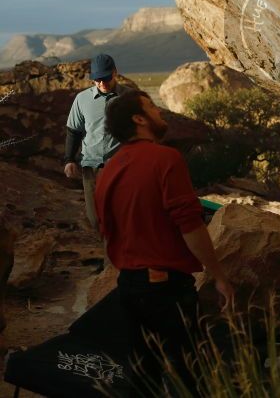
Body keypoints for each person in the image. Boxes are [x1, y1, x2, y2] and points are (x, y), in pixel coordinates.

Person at [94, 89, 234, 396]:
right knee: (190, 376)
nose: (160, 113)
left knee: (144, 378)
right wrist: (219, 277)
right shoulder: (166, 159)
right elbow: (190, 225)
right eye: (153, 108)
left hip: (129, 287)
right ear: (139, 119)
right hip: (165, 289)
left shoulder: (108, 171)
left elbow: (107, 234)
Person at [65, 54, 130, 231]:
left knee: (120, 218)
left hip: (121, 168)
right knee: (95, 220)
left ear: (115, 73)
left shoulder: (129, 97)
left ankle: (116, 256)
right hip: (91, 168)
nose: (102, 83)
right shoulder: (82, 99)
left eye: (106, 78)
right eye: (97, 79)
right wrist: (69, 159)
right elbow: (74, 130)